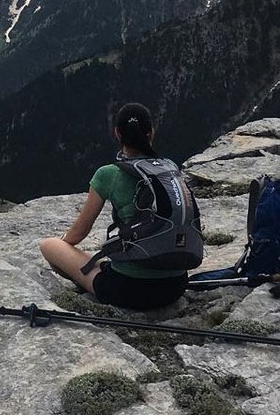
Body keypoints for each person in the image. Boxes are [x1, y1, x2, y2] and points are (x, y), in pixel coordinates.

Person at [39, 102, 191, 310]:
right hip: (175, 286)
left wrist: (64, 247)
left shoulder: (107, 174)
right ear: (151, 133)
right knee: (103, 264)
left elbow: (78, 235)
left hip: (126, 291)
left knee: (49, 245)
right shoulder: (169, 169)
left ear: (117, 134)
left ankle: (92, 280)